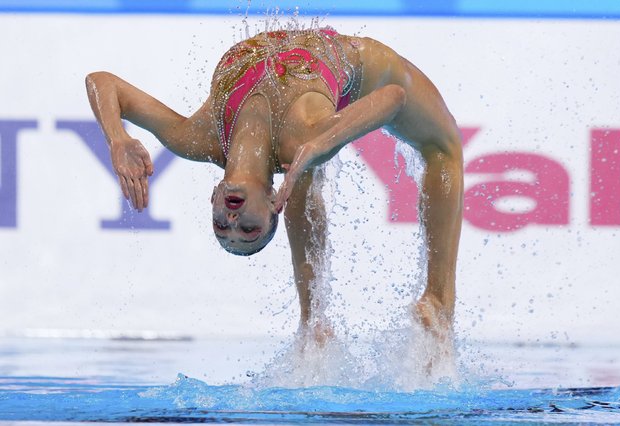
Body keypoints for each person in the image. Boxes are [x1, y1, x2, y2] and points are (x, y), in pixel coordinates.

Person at [85, 27, 463, 342]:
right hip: (362, 69)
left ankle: (313, 320)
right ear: (271, 203)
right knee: (443, 147)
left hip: (283, 64)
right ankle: (437, 299)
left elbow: (101, 81)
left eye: (222, 226)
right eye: (248, 228)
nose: (233, 221)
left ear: (213, 197)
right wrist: (320, 142)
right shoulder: (306, 139)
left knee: (303, 169)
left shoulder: (197, 139)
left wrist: (117, 139)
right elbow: (393, 97)